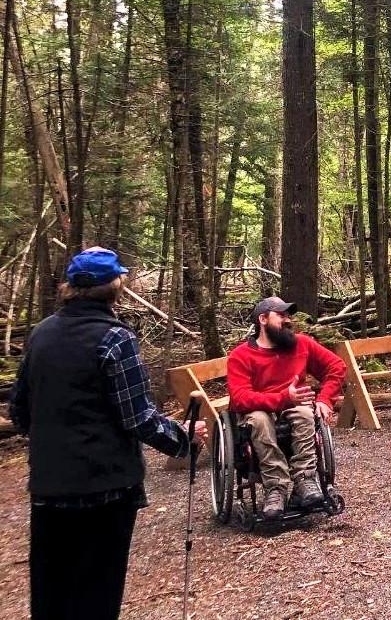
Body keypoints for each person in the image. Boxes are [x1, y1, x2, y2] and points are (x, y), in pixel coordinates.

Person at [10, 246, 207, 620]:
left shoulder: (40, 335)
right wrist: (183, 438)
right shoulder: (116, 339)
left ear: (70, 286)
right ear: (115, 285)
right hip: (106, 488)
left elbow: (19, 411)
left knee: (50, 593)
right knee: (97, 592)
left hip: (49, 488)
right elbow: (139, 417)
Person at [226, 296, 346, 520]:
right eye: (281, 315)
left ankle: (305, 479)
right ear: (263, 319)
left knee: (303, 412)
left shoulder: (302, 343)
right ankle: (276, 488)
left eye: (288, 315)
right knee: (260, 419)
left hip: (295, 407)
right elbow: (239, 397)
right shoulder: (240, 356)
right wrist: (282, 397)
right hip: (260, 410)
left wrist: (324, 399)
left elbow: (336, 366)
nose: (288, 320)